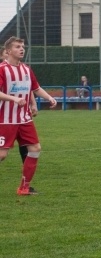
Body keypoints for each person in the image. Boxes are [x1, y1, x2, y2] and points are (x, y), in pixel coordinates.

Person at [0, 37, 58, 196]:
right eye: (18, 47)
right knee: (2, 155)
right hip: (5, 119)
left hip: (24, 119)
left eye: (23, 46)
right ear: (9, 51)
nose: (22, 49)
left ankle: (24, 187)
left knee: (35, 149)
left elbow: (36, 88)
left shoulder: (26, 69)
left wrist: (49, 98)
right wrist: (14, 99)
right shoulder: (2, 69)